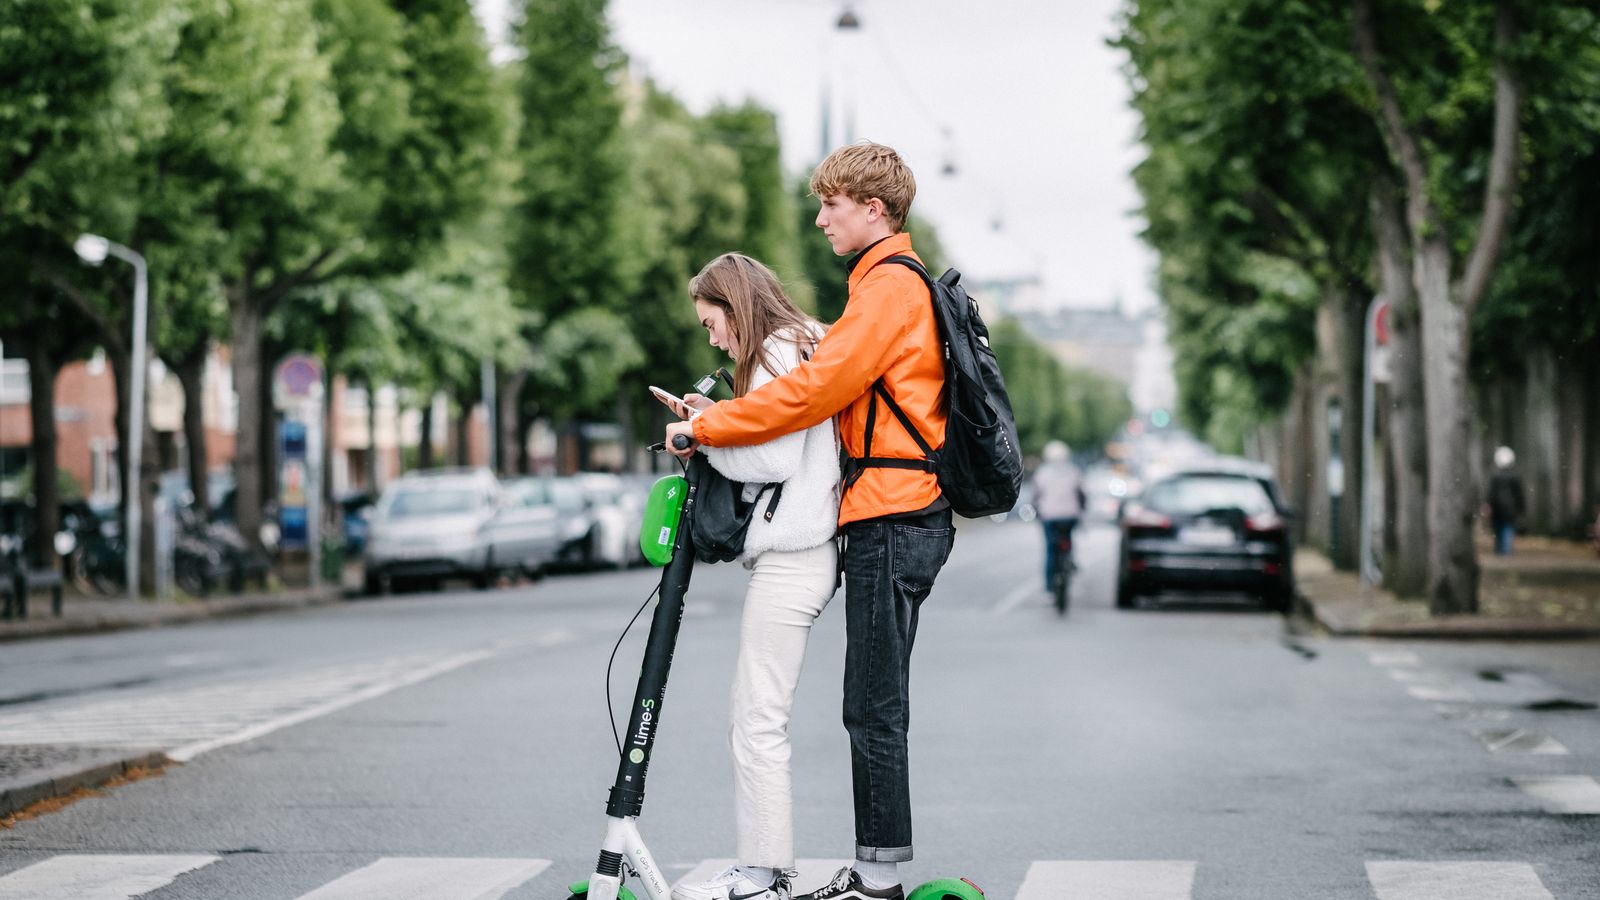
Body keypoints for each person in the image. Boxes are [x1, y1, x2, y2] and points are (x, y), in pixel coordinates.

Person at [667, 141, 952, 900]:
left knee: (873, 706)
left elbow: (810, 397)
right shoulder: (870, 292)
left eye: (831, 204)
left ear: (875, 209)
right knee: (869, 702)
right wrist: (721, 417)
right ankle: (872, 871)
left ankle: (874, 878)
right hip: (879, 516)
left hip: (895, 513)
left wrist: (711, 429)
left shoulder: (889, 288)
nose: (820, 218)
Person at [663, 254, 841, 900]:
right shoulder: (807, 340)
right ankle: (765, 869)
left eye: (712, 322)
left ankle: (763, 875)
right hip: (811, 552)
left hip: (792, 553)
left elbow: (771, 453)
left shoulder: (773, 351)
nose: (712, 338)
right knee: (759, 714)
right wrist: (715, 419)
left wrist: (702, 433)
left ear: (736, 307)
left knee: (756, 718)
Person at [1031, 440, 1085, 590]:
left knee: (1050, 549)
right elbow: (1081, 494)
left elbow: (1035, 496)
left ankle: (1049, 586)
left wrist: (1036, 510)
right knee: (1067, 539)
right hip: (1070, 515)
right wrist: (1081, 509)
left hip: (1049, 517)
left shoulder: (1042, 473)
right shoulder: (1073, 471)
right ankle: (1070, 560)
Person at [1486, 446, 1525, 556]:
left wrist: (1488, 505)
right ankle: (1506, 551)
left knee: (1498, 530)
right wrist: (1521, 510)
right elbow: (1520, 496)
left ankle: (1500, 551)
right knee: (1507, 529)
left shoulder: (1495, 476)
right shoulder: (1515, 477)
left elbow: (1490, 493)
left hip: (1497, 509)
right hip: (1510, 510)